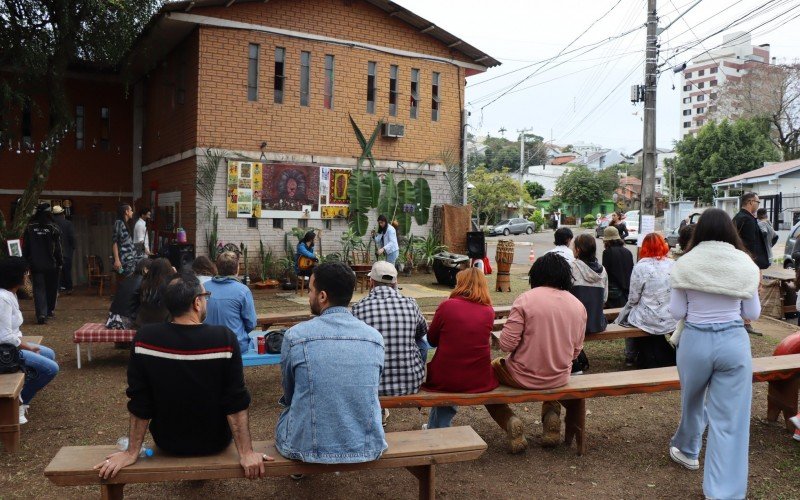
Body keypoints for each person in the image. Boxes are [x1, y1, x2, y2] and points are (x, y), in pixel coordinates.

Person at [94, 271, 272, 480]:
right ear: (197, 303)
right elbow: (235, 400)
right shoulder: (223, 339)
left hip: (167, 442)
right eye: (205, 297)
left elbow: (140, 400)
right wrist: (246, 452)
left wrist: (131, 452)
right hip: (214, 442)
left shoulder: (145, 339)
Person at [667, 208, 761, 499]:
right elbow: (752, 313)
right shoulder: (745, 264)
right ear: (731, 231)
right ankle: (723, 492)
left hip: (695, 341)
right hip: (733, 341)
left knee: (692, 399)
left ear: (699, 231)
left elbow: (676, 311)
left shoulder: (685, 263)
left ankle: (688, 450)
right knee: (730, 420)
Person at [275, 262, 387, 464]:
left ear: (322, 296)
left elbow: (290, 394)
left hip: (307, 447)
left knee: (289, 411)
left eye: (310, 291)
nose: (309, 296)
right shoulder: (374, 338)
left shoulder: (296, 336)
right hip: (365, 444)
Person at [494, 253, 586, 452]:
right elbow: (577, 350)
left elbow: (507, 345)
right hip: (559, 376)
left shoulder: (525, 300)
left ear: (535, 274)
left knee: (489, 371)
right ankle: (551, 418)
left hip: (521, 376)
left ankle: (510, 420)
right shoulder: (578, 305)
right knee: (549, 372)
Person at [422, 267, 499, 429]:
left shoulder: (447, 306)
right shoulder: (488, 311)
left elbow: (431, 340)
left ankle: (437, 428)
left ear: (461, 284)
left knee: (448, 378)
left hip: (446, 377)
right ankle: (435, 427)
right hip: (479, 377)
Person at [352, 261, 427, 398]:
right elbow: (422, 331)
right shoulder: (411, 304)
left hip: (371, 384)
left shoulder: (358, 308)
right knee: (420, 341)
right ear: (395, 282)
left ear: (371, 282)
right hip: (410, 383)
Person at [0, 257, 59, 425]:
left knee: (49, 354)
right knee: (51, 369)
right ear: (15, 275)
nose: (27, 276)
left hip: (12, 345)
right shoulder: (2, 298)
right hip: (5, 352)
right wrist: (27, 347)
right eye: (25, 273)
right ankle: (19, 403)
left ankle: (24, 388)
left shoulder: (11, 294)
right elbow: (4, 336)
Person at [617, 233, 677, 368]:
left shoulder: (640, 267)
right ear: (664, 245)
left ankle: (630, 356)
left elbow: (633, 299)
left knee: (628, 318)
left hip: (647, 318)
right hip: (671, 317)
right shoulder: (673, 264)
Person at [204, 251, 257, 355]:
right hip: (235, 346)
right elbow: (251, 323)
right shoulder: (243, 290)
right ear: (237, 268)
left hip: (207, 343)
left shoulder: (203, 287)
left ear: (216, 267)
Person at [733, 192, 770, 336]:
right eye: (757, 202)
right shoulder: (747, 220)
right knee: (752, 290)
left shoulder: (738, 218)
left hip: (738, 261)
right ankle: (746, 322)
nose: (758, 205)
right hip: (749, 263)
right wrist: (754, 265)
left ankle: (743, 320)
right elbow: (750, 244)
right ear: (750, 202)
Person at [23, 203, 63, 324]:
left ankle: (41, 314)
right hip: (51, 264)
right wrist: (60, 261)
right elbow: (58, 248)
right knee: (51, 288)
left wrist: (25, 261)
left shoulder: (30, 227)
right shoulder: (53, 227)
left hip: (35, 263)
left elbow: (26, 247)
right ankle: (49, 311)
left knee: (39, 289)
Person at [569, 233, 608, 334]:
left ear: (578, 250)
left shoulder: (572, 267)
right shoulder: (602, 270)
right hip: (596, 323)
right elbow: (604, 298)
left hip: (574, 324)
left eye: (573, 247)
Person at [105, 259, 151, 330]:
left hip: (111, 319)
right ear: (145, 269)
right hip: (124, 322)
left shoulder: (128, 277)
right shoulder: (143, 282)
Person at [135, 258, 175, 326]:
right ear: (168, 270)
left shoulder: (144, 283)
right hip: (161, 324)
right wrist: (175, 275)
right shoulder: (169, 285)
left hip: (142, 323)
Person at [602, 226, 634, 310]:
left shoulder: (607, 252)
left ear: (607, 241)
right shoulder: (628, 252)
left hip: (613, 293)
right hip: (626, 292)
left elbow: (605, 273)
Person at [52, 205, 75, 294]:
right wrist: (72, 247)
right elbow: (71, 237)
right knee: (67, 271)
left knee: (56, 271)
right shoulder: (68, 223)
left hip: (54, 252)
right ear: (62, 214)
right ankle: (69, 288)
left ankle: (57, 289)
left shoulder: (51, 224)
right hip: (66, 252)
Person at [112, 203, 137, 277]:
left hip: (129, 260)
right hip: (123, 261)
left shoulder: (124, 223)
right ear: (126, 212)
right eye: (131, 210)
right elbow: (114, 242)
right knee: (123, 276)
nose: (132, 212)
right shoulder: (119, 223)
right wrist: (116, 260)